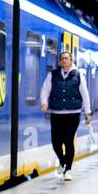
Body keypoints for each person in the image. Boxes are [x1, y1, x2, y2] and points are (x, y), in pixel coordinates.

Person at [39, 50, 91, 181]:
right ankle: (62, 162)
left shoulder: (78, 75)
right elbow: (45, 89)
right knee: (56, 141)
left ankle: (68, 170)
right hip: (56, 113)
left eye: (66, 58)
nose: (64, 60)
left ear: (71, 61)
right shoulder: (53, 75)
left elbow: (85, 94)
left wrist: (87, 112)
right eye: (62, 59)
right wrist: (44, 102)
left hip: (73, 114)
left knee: (68, 141)